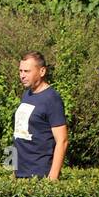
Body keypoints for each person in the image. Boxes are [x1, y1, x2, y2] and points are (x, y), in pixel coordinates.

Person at [13, 52, 67, 180]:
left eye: (27, 71)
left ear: (42, 71)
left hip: (39, 176)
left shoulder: (52, 99)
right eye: (20, 71)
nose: (22, 75)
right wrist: (12, 171)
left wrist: (52, 178)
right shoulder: (27, 94)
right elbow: (18, 135)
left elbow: (62, 141)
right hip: (20, 174)